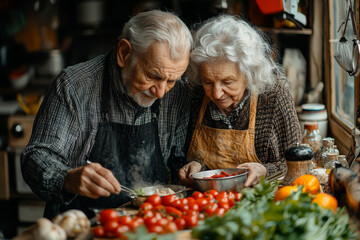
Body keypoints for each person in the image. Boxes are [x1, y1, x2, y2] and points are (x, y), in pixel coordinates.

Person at [21, 10, 193, 218]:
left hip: (149, 224)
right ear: (124, 53)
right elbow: (36, 157)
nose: (161, 91)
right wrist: (67, 178)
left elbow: (177, 161)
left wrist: (190, 170)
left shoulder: (178, 94)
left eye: (171, 80)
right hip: (81, 223)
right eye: (153, 76)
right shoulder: (74, 86)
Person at [179, 15, 301, 187]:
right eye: (208, 81)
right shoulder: (195, 93)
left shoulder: (274, 96)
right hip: (208, 200)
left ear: (249, 73)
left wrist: (264, 170)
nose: (217, 93)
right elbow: (178, 155)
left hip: (260, 200)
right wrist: (196, 166)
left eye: (227, 82)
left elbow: (297, 163)